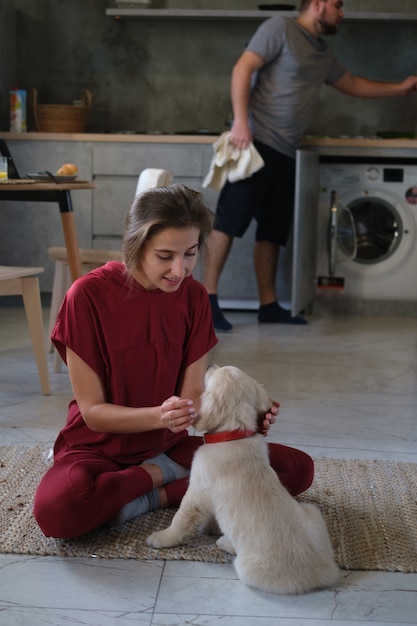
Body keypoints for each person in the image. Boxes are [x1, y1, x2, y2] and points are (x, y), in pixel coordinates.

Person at [34, 183, 314, 539]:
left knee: (295, 470)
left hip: (167, 447)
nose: (179, 270)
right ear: (137, 246)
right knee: (58, 510)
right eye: (165, 256)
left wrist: (246, 419)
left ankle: (147, 496)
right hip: (97, 448)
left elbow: (193, 399)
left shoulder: (195, 298)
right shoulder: (86, 296)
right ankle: (160, 480)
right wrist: (158, 418)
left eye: (190, 254)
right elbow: (92, 412)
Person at [204, 0, 417, 331]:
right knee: (228, 222)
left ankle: (268, 305)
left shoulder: (321, 51)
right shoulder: (280, 28)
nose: (342, 13)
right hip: (254, 143)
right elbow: (242, 68)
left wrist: (400, 88)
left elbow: (354, 84)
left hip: (287, 150)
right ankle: (207, 301)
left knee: (272, 232)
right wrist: (241, 124)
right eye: (338, 5)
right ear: (318, 5)